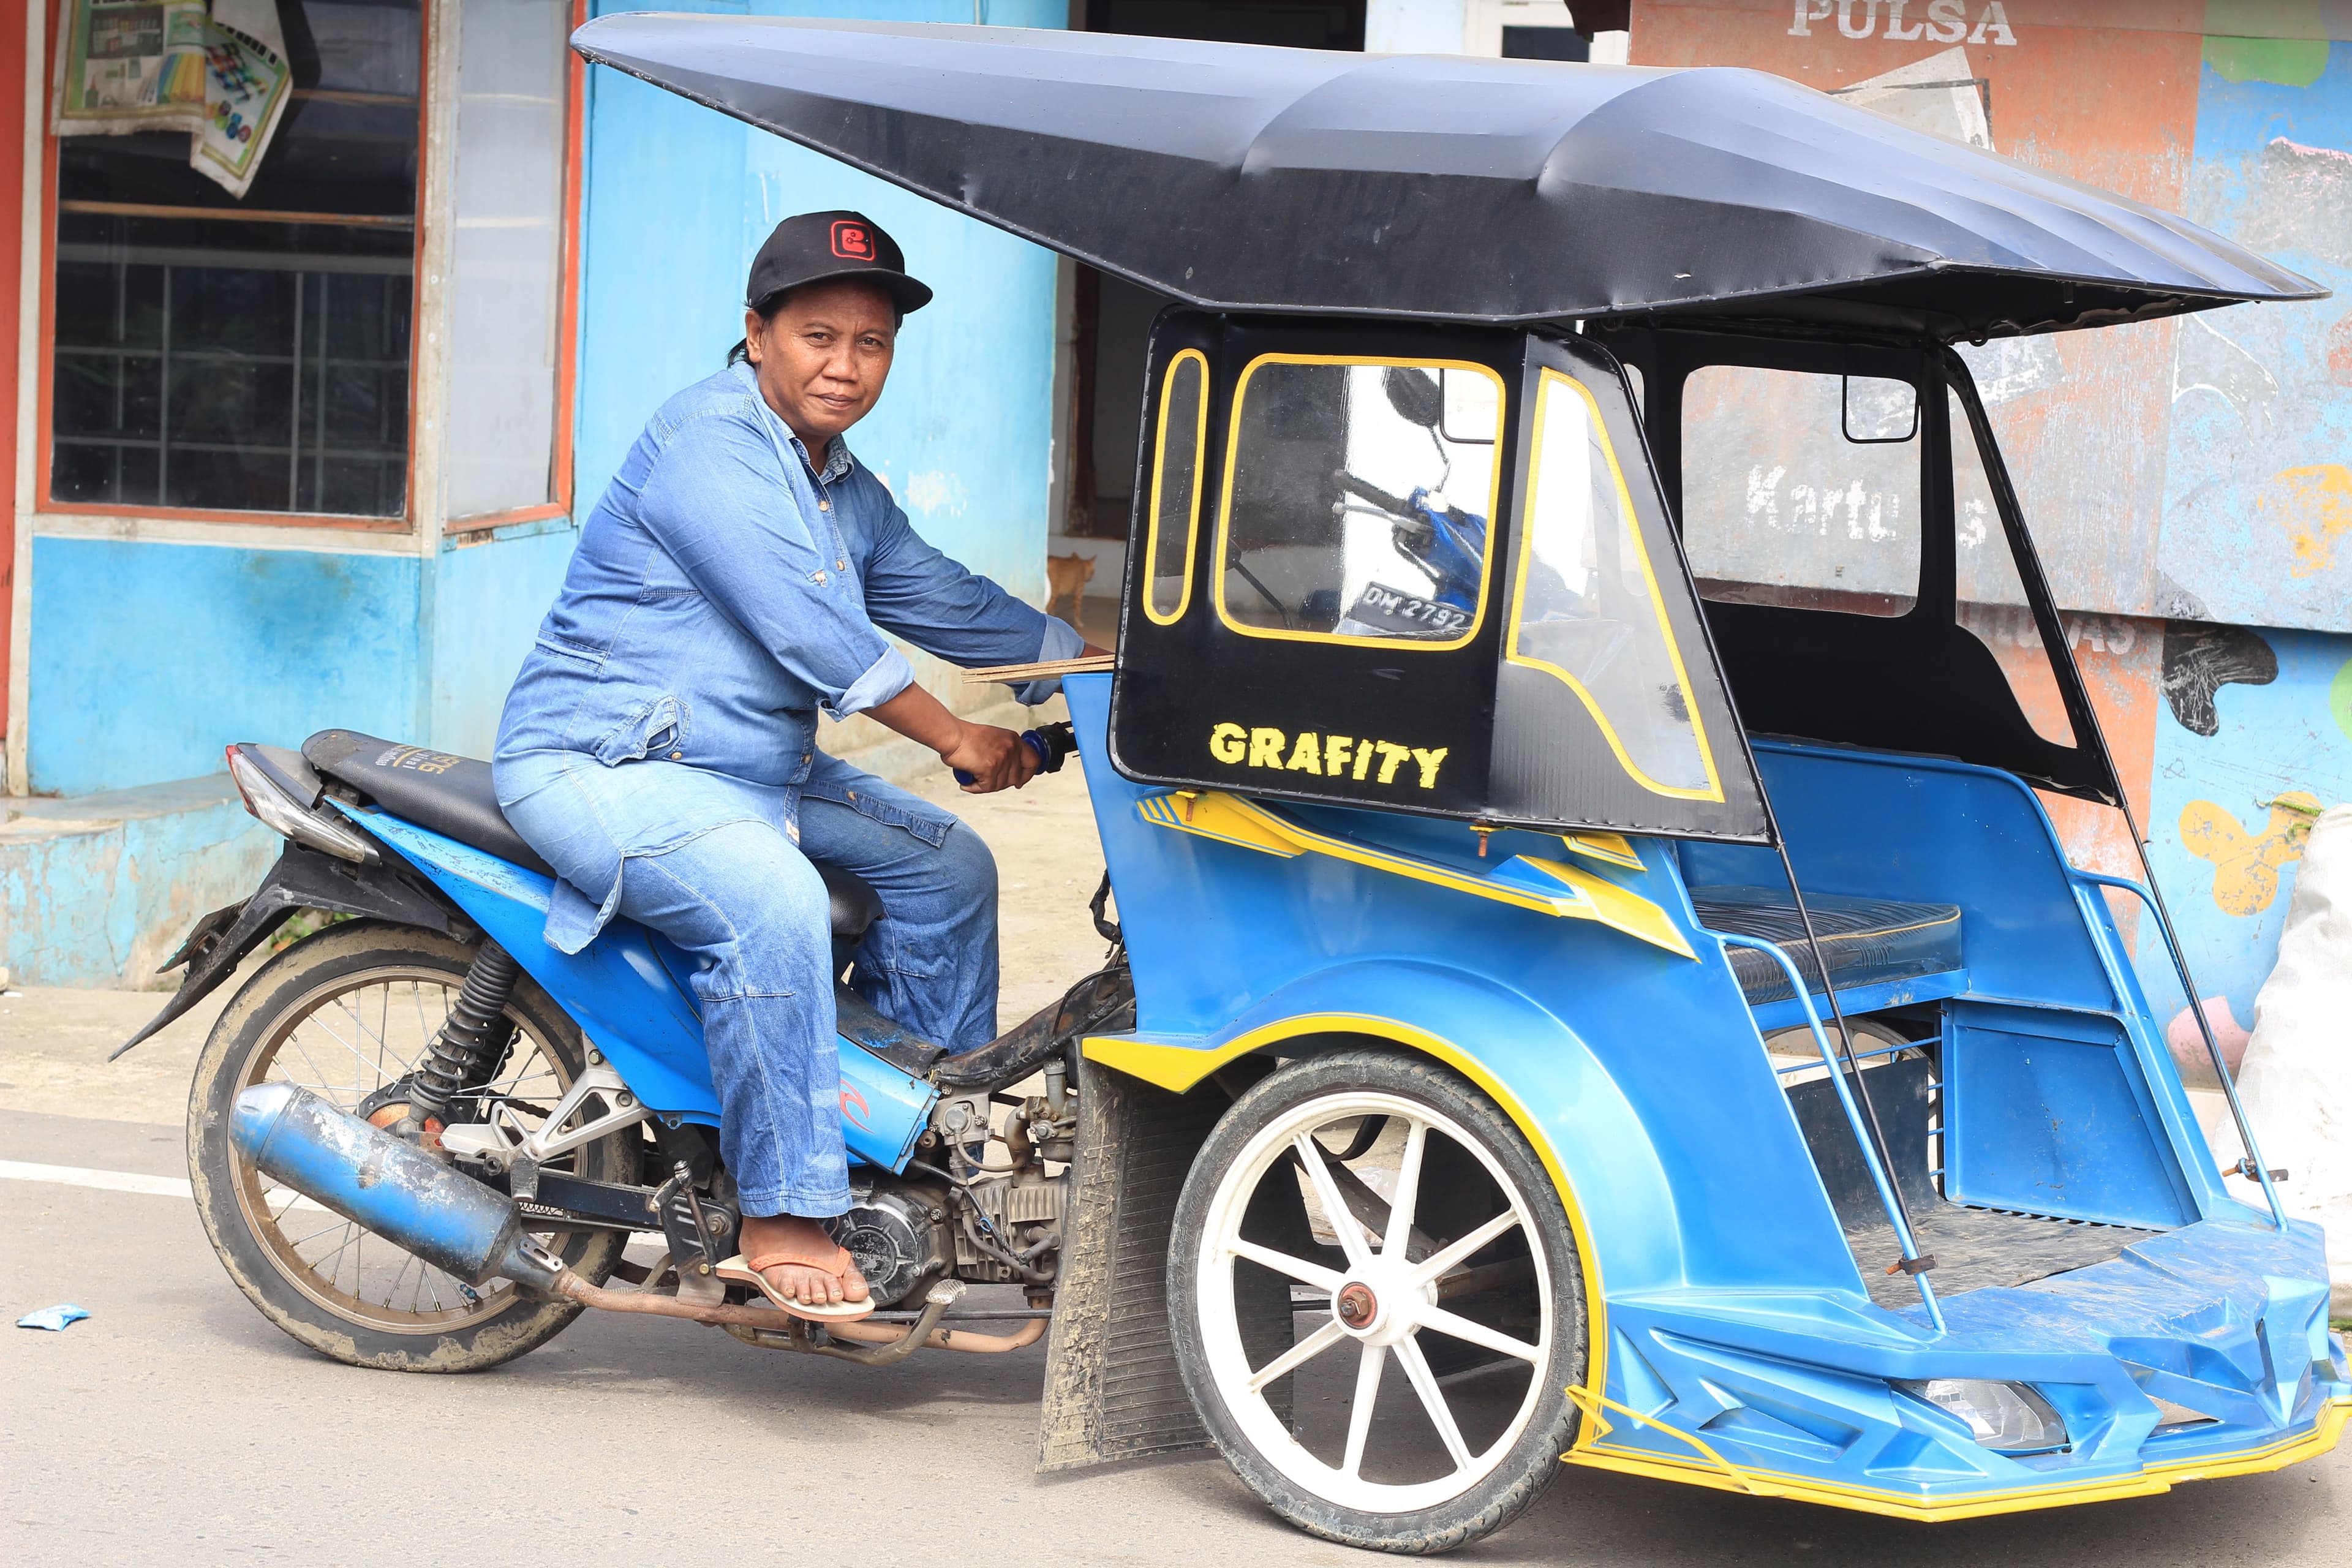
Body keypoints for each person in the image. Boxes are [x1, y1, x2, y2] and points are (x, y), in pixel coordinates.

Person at [493, 211, 1099, 1319]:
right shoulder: (708, 445)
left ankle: (916, 1158)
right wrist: (960, 738)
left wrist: (1103, 674)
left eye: (871, 344)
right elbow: (813, 633)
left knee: (947, 870)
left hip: (751, 773)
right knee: (772, 903)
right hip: (603, 763)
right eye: (820, 335)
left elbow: (946, 600)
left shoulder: (843, 486)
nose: (846, 366)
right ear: (758, 333)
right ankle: (785, 1206)